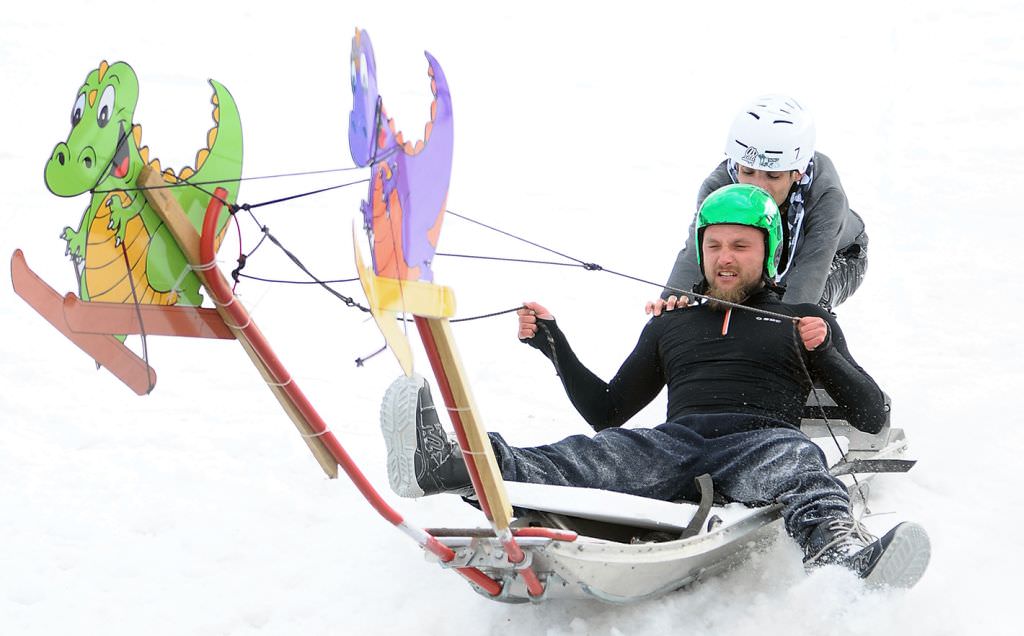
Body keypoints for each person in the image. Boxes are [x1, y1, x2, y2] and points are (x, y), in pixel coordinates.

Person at [380, 184, 929, 588]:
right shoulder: (672, 321)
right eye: (714, 246)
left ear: (768, 251)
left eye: (740, 246)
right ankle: (447, 465)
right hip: (675, 444)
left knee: (798, 462)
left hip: (760, 441)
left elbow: (871, 413)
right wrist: (553, 344)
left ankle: (844, 556)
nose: (725, 258)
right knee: (586, 454)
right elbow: (608, 409)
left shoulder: (800, 319)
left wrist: (826, 349)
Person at [650, 94, 868, 315]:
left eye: (772, 176)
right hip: (763, 250)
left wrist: (784, 328)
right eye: (748, 171)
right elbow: (698, 251)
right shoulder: (718, 188)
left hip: (839, 254)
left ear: (797, 173)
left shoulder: (826, 196)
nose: (758, 186)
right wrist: (672, 301)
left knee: (796, 310)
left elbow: (810, 274)